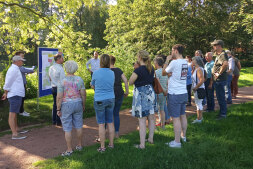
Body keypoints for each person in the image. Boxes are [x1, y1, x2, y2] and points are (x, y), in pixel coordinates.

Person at [56, 60, 86, 156]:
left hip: (66, 105)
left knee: (67, 128)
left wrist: (58, 108)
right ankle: (80, 145)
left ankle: (69, 150)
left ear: (66, 68)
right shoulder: (79, 79)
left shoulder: (62, 81)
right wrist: (83, 104)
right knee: (79, 125)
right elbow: (83, 94)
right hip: (78, 103)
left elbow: (59, 97)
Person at [162, 44, 188, 148]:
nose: (171, 53)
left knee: (176, 118)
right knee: (183, 115)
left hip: (174, 93)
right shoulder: (185, 62)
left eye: (172, 51)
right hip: (183, 92)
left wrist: (166, 61)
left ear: (176, 51)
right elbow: (177, 74)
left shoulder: (174, 62)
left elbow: (163, 72)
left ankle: (177, 142)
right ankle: (183, 137)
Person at [129, 50, 156, 149]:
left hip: (141, 94)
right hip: (150, 92)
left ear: (139, 57)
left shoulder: (138, 70)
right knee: (152, 117)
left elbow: (130, 82)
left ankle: (142, 145)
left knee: (142, 119)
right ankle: (150, 139)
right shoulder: (151, 68)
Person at [91, 54, 115, 152]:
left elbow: (93, 86)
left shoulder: (96, 73)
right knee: (110, 121)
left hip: (100, 99)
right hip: (111, 98)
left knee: (101, 123)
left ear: (100, 61)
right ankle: (111, 144)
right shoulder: (112, 73)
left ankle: (102, 147)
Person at [1, 56, 28, 139]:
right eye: (22, 61)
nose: (23, 62)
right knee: (12, 114)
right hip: (14, 94)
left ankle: (16, 129)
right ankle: (15, 134)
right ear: (17, 61)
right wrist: (5, 92)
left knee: (14, 113)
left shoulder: (15, 69)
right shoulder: (13, 70)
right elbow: (8, 83)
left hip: (16, 94)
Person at [110, 55, 129, 138]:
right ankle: (117, 133)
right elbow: (125, 80)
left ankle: (104, 133)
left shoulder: (106, 71)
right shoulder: (118, 70)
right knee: (116, 114)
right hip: (119, 93)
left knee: (108, 114)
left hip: (110, 93)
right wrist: (127, 91)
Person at [211, 40, 228, 120]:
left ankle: (223, 114)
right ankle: (222, 113)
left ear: (219, 46)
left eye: (214, 45)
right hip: (218, 80)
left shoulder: (222, 55)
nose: (213, 47)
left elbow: (225, 64)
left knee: (221, 97)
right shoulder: (219, 55)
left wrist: (219, 73)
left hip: (220, 80)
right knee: (220, 97)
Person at [15, 51, 35, 117]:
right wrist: (32, 69)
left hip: (21, 84)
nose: (23, 57)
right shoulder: (17, 66)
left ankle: (22, 110)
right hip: (20, 85)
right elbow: (24, 69)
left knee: (22, 98)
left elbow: (23, 71)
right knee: (21, 98)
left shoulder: (18, 65)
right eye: (22, 56)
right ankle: (21, 111)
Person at [49, 54, 65, 126]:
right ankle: (58, 121)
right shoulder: (60, 68)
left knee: (55, 104)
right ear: (58, 59)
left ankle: (54, 120)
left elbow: (50, 78)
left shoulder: (51, 67)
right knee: (59, 104)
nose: (63, 59)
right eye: (62, 58)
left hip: (53, 87)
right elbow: (63, 80)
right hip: (59, 88)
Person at [154, 57, 168, 129]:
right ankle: (162, 125)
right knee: (162, 109)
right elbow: (168, 82)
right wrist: (166, 91)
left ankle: (156, 126)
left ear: (156, 63)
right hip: (165, 92)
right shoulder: (165, 71)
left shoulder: (156, 72)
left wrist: (163, 90)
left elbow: (158, 83)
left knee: (156, 109)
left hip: (159, 92)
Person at [191, 56, 205, 123]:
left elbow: (201, 80)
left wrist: (195, 87)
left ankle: (199, 119)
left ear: (196, 61)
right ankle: (199, 118)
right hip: (198, 88)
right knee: (198, 103)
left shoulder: (199, 69)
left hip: (199, 88)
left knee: (199, 103)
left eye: (193, 60)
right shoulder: (196, 68)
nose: (192, 61)